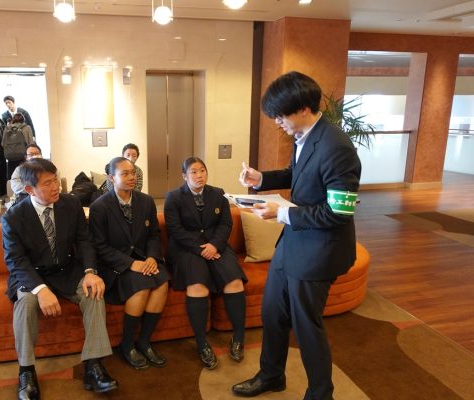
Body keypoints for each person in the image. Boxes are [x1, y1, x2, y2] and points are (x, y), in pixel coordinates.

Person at [232, 71, 361, 400]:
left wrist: (283, 213)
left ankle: (321, 394)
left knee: (306, 326)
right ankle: (271, 375)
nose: (277, 122)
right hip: (292, 243)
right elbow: (297, 173)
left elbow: (339, 212)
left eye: (280, 115)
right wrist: (262, 179)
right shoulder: (304, 136)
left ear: (304, 109)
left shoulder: (337, 147)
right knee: (272, 313)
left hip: (319, 250)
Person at [1, 158, 118, 400]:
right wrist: (40, 289)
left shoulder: (71, 204)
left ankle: (93, 365)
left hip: (66, 270)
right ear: (29, 189)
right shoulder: (13, 217)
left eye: (56, 179)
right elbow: (16, 260)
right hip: (31, 274)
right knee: (26, 303)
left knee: (94, 293)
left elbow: (84, 241)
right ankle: (26, 371)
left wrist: (90, 272)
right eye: (47, 183)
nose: (56, 187)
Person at [164, 157, 247, 370]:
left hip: (216, 246)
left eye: (202, 170)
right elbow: (175, 230)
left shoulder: (218, 194)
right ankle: (202, 344)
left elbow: (225, 224)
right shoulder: (173, 197)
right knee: (198, 286)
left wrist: (215, 246)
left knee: (234, 281)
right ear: (184, 176)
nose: (199, 175)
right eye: (194, 172)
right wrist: (202, 249)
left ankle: (238, 337)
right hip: (187, 248)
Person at [89, 157, 169, 370]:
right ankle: (127, 344)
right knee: (141, 286)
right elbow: (100, 246)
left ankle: (144, 341)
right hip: (116, 265)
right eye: (124, 174)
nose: (132, 177)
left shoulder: (146, 201)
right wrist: (130, 264)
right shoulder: (99, 207)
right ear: (111, 178)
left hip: (145, 259)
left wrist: (152, 257)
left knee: (162, 282)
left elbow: (154, 234)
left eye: (133, 173)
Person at [2, 112, 34, 179]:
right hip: (23, 157)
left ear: (13, 119)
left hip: (11, 158)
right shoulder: (27, 128)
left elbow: (2, 143)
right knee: (24, 177)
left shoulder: (7, 128)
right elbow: (31, 144)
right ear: (23, 119)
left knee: (12, 177)